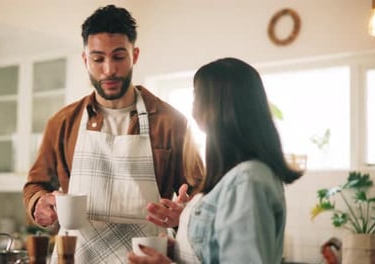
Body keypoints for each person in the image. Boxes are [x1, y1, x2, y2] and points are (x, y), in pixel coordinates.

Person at [23, 4, 204, 263]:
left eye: (119, 57)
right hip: (76, 256)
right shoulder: (63, 123)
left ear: (135, 55)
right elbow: (35, 185)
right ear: (86, 60)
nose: (109, 69)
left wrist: (185, 212)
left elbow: (201, 196)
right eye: (98, 59)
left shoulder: (171, 122)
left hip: (146, 256)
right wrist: (38, 203)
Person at [129, 57, 304, 264]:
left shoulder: (247, 181)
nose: (193, 108)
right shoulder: (236, 176)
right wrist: (184, 232)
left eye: (196, 97)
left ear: (214, 107)